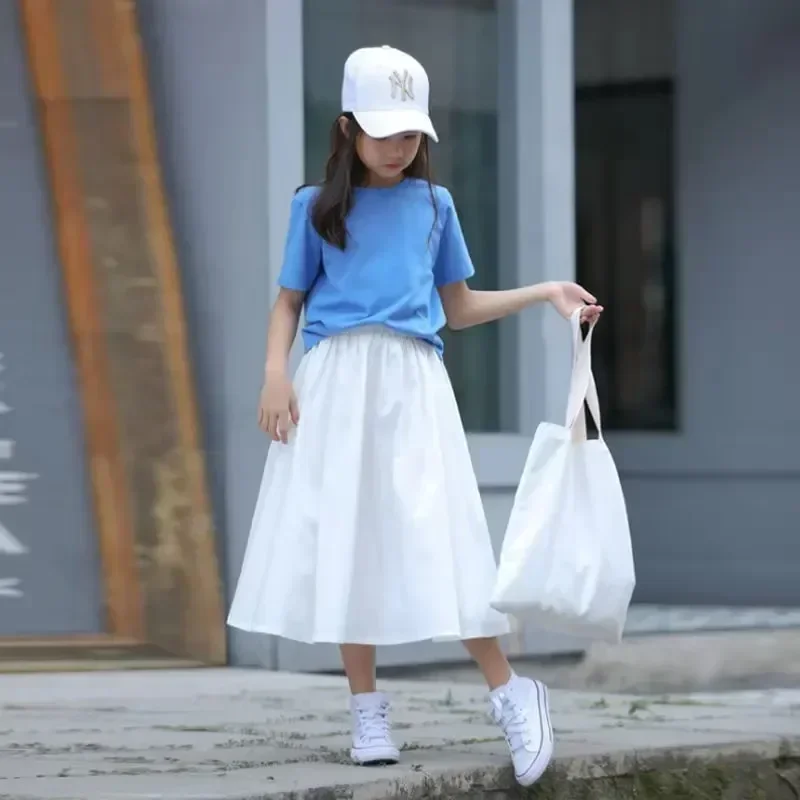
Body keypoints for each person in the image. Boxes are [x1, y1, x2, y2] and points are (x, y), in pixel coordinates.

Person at [227, 45, 602, 788]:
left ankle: (511, 691)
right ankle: (365, 710)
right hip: (334, 384)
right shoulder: (315, 207)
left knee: (445, 535)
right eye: (383, 132)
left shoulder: (435, 206)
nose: (398, 147)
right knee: (347, 539)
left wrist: (545, 293)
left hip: (413, 385)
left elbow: (457, 308)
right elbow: (288, 303)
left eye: (409, 134)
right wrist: (274, 373)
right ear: (347, 128)